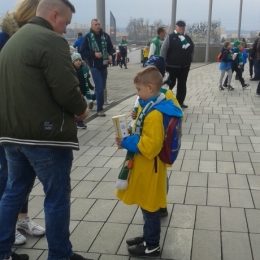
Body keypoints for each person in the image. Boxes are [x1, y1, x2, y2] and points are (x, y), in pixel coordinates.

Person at [0, 0, 91, 259]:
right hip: (45, 136)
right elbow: (66, 89)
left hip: (11, 135)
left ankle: (2, 250)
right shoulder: (50, 41)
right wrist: (82, 110)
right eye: (65, 23)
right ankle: (60, 254)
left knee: (13, 192)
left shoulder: (13, 41)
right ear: (54, 15)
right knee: (56, 197)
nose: (65, 30)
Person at [116, 66, 183, 258]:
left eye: (138, 90)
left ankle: (152, 246)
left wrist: (127, 141)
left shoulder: (154, 114)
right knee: (146, 205)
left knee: (150, 207)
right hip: (150, 167)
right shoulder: (151, 107)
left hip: (150, 167)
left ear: (150, 87)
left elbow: (150, 146)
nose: (137, 93)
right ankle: (147, 237)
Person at [0, 0, 46, 248]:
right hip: (6, 118)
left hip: (23, 119)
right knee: (8, 175)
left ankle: (21, 219)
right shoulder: (4, 39)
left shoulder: (31, 38)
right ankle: (4, 230)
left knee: (22, 175)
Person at [80, 19, 113, 117]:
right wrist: (94, 54)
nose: (98, 26)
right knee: (99, 87)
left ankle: (92, 99)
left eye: (99, 24)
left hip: (104, 65)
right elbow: (82, 52)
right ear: (92, 26)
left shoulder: (105, 36)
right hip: (94, 66)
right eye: (95, 24)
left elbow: (111, 48)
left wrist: (110, 55)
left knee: (101, 88)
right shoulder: (87, 37)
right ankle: (100, 109)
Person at [160, 20, 194, 109]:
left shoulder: (187, 38)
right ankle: (166, 100)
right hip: (171, 67)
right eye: (180, 27)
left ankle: (180, 102)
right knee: (170, 84)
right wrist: (162, 63)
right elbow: (163, 51)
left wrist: (190, 60)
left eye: (183, 27)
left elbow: (192, 49)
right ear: (176, 27)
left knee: (182, 85)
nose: (181, 28)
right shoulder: (171, 37)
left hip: (184, 67)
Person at [72, 52, 94, 129]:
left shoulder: (83, 69)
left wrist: (91, 87)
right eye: (76, 60)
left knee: (83, 106)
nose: (78, 62)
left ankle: (79, 121)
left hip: (84, 91)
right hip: (76, 92)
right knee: (79, 107)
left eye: (79, 60)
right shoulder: (72, 71)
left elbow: (86, 81)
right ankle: (79, 122)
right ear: (72, 62)